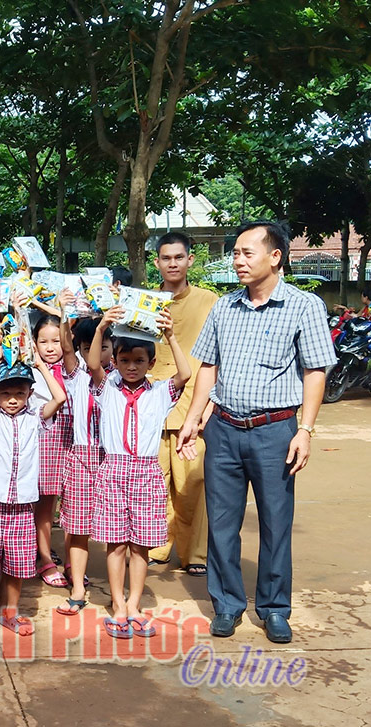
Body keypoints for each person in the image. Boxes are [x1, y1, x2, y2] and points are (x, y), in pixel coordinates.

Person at [176, 221, 335, 644]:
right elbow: (207, 366)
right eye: (236, 253)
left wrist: (305, 430)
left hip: (275, 431)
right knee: (223, 525)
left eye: (247, 252)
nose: (238, 260)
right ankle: (227, 604)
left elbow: (314, 371)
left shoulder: (304, 307)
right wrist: (193, 419)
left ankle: (274, 608)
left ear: (275, 256)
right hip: (224, 430)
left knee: (275, 523)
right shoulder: (225, 308)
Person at [87, 308, 190, 639]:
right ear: (114, 360)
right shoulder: (108, 389)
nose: (132, 367)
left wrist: (171, 335)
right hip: (113, 469)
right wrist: (103, 326)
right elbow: (92, 365)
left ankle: (134, 604)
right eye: (125, 360)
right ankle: (117, 604)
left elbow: (185, 374)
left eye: (139, 361)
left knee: (140, 544)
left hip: (146, 472)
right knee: (115, 543)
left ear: (150, 363)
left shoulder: (160, 393)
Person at [0, 346, 66, 643]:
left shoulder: (35, 419)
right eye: (6, 393)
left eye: (20, 393)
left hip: (23, 505)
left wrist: (40, 364)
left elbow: (59, 397)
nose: (13, 399)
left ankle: (9, 610)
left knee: (19, 562)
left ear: (29, 395)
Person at [146, 232, 218, 576]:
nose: (172, 264)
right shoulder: (145, 302)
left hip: (193, 406)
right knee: (154, 484)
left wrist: (208, 409)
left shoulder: (209, 300)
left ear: (190, 260)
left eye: (178, 257)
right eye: (165, 258)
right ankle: (158, 547)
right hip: (150, 408)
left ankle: (195, 555)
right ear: (157, 262)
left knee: (192, 485)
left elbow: (221, 358)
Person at [54, 315, 115, 617]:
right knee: (77, 528)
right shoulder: (76, 374)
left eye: (103, 346)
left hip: (113, 458)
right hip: (81, 457)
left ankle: (119, 592)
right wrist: (64, 311)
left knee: (117, 531)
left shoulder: (121, 377)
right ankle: (77, 586)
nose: (97, 353)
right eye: (88, 346)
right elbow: (67, 348)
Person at [29, 314, 74, 589]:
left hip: (74, 439)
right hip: (45, 440)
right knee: (45, 502)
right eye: (43, 341)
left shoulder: (73, 367)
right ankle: (44, 558)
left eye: (55, 341)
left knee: (72, 503)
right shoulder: (31, 371)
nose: (49, 347)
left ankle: (72, 561)